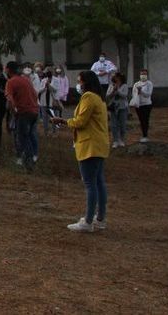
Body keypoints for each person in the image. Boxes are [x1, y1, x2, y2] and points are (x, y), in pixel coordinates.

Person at [50, 70, 110, 233]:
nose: (78, 85)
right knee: (99, 182)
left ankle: (88, 221)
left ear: (86, 82)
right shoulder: (100, 98)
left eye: (79, 81)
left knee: (90, 184)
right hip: (100, 144)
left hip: (90, 145)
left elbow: (81, 121)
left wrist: (63, 121)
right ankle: (100, 218)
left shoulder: (88, 97)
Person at [4, 61, 38, 171]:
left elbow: (10, 99)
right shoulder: (26, 80)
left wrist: (13, 112)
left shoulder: (11, 82)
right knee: (28, 136)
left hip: (23, 113)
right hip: (34, 112)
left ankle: (29, 162)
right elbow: (35, 94)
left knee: (23, 137)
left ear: (8, 70)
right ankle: (30, 158)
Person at [106, 73, 129, 148]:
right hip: (113, 107)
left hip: (122, 107)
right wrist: (113, 91)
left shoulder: (125, 86)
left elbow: (124, 95)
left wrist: (118, 90)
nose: (116, 79)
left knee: (122, 124)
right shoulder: (111, 85)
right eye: (115, 77)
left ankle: (121, 140)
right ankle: (115, 140)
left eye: (117, 78)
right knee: (114, 125)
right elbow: (108, 96)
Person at [132, 69, 154, 143]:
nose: (143, 76)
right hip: (139, 104)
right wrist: (137, 93)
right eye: (142, 74)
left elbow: (148, 94)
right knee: (141, 120)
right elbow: (133, 94)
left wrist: (141, 91)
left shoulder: (149, 83)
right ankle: (143, 134)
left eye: (144, 74)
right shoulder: (136, 84)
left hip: (147, 104)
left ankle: (145, 135)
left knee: (145, 119)